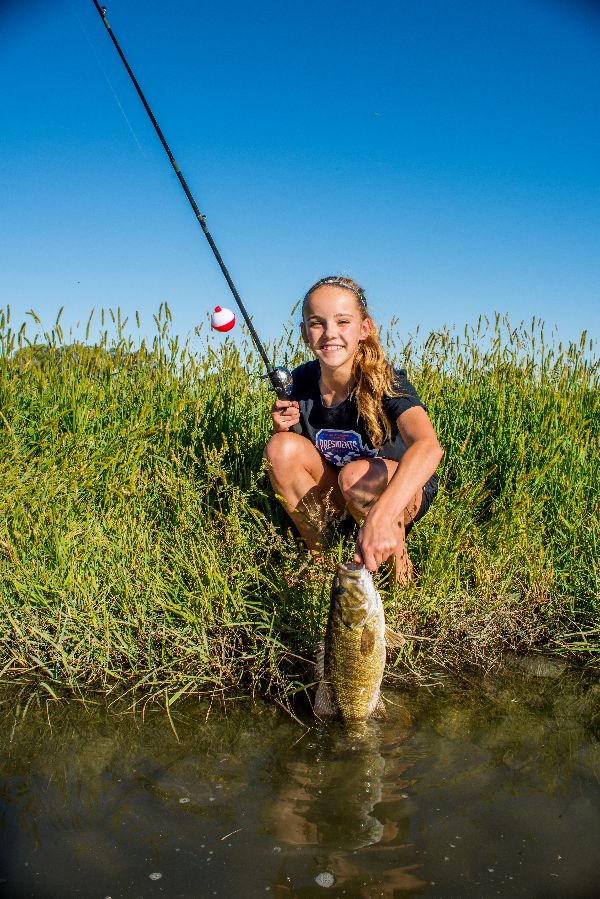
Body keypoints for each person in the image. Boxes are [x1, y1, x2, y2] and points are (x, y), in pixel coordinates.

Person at [264, 275, 443, 583]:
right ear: (305, 333)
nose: (329, 333)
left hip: (396, 491)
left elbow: (429, 448)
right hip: (342, 491)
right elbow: (298, 460)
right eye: (317, 323)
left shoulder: (387, 381)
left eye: (342, 321)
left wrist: (383, 515)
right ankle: (321, 563)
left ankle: (399, 569)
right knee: (280, 450)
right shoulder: (300, 382)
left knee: (356, 476)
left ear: (364, 329)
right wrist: (283, 428)